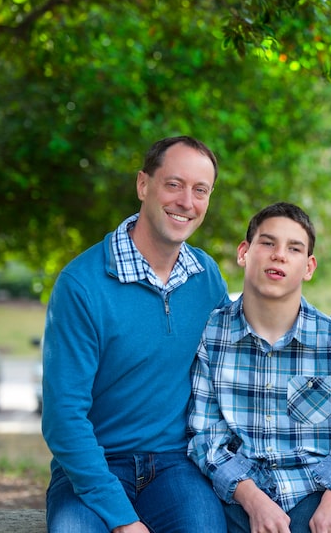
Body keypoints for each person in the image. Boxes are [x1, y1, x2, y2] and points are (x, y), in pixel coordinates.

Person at [41, 135, 232, 533]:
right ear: (143, 185)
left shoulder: (206, 275)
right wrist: (124, 520)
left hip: (175, 463)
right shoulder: (82, 284)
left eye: (201, 191)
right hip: (94, 464)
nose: (186, 202)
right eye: (174, 184)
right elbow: (63, 417)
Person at [187, 202, 331, 533]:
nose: (279, 255)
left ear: (309, 267)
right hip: (238, 493)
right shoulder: (213, 335)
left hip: (311, 493)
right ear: (244, 252)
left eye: (294, 248)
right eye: (268, 243)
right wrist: (252, 499)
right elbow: (204, 438)